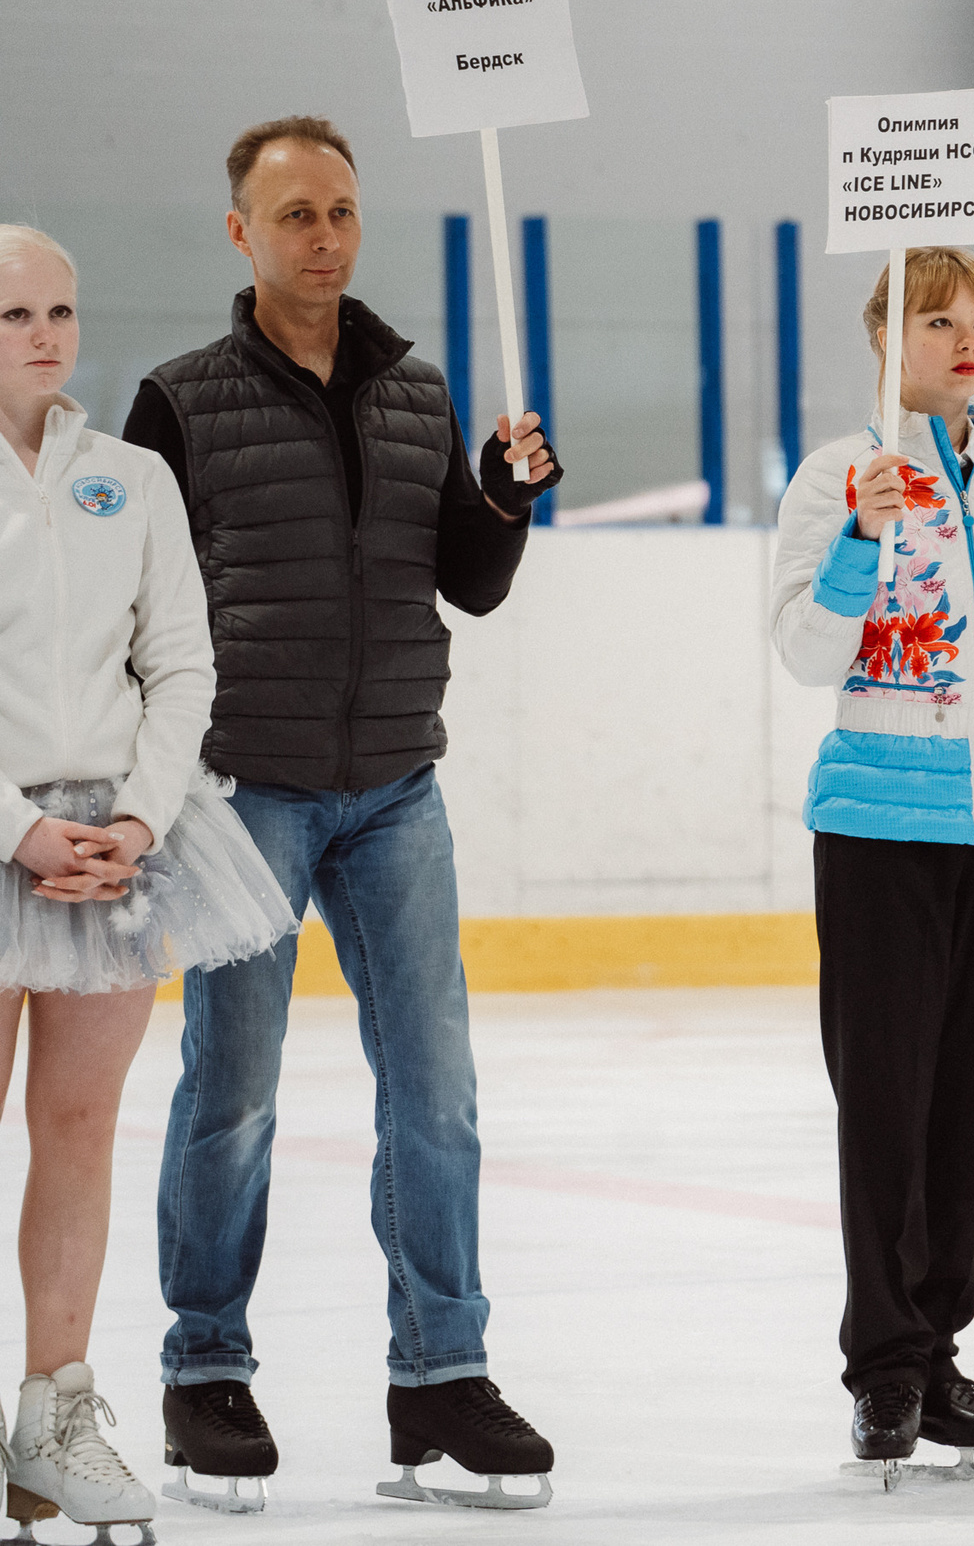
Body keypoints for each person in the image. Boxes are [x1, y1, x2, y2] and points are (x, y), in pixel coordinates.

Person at [119, 117, 563, 1510]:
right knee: (232, 1094)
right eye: (296, 212)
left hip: (394, 790)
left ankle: (442, 1373)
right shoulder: (179, 401)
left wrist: (502, 496)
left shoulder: (417, 392)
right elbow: (138, 606)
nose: (325, 235)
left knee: (436, 1093)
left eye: (343, 211)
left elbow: (469, 583)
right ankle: (205, 1370)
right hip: (245, 789)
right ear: (240, 233)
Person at [767, 245, 974, 1485]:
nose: (967, 341)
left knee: (962, 1104)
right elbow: (804, 650)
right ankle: (886, 1363)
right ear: (885, 342)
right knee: (885, 1105)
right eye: (938, 320)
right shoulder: (835, 478)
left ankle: (938, 1349)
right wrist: (860, 532)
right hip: (878, 830)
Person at [0, 224, 294, 1539]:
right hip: (4, 838)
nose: (45, 333)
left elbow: (183, 664)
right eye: (13, 314)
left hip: (115, 846)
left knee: (75, 1131)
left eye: (60, 307)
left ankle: (53, 1413)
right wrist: (16, 827)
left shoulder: (129, 478)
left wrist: (134, 812)